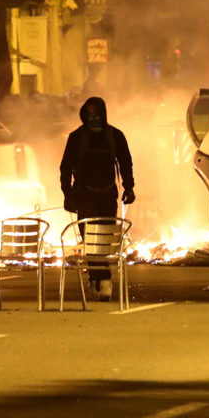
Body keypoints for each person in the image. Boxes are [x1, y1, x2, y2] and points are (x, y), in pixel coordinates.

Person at [59, 96, 134, 300]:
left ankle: (98, 278)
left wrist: (129, 187)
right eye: (90, 115)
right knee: (91, 240)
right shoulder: (76, 137)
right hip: (84, 196)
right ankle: (103, 279)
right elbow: (65, 168)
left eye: (97, 114)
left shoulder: (115, 136)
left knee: (104, 240)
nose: (94, 118)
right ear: (84, 115)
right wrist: (68, 195)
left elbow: (126, 163)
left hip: (108, 195)